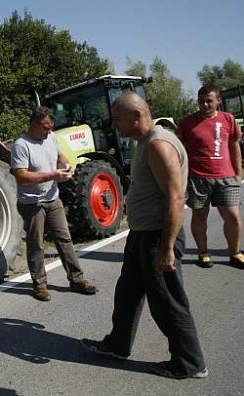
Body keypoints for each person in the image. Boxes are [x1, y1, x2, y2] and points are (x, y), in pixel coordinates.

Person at [81, 92, 208, 379]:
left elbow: (176, 199)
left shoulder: (158, 145)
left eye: (117, 120)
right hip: (141, 234)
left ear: (136, 117)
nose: (114, 125)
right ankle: (118, 345)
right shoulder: (145, 142)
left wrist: (166, 248)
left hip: (157, 236)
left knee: (167, 303)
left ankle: (190, 363)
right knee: (126, 294)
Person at [10, 106, 98, 302]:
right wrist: (52, 175)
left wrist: (67, 166)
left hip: (52, 197)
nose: (48, 132)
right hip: (32, 203)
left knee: (64, 239)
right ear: (33, 125)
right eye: (45, 128)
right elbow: (21, 176)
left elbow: (60, 157)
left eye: (50, 128)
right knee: (36, 244)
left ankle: (77, 279)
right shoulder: (21, 145)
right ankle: (40, 284)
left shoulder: (51, 138)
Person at [177, 85, 244, 268]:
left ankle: (235, 253)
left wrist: (239, 172)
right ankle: (203, 252)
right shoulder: (186, 123)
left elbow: (234, 146)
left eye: (209, 101)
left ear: (218, 101)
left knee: (232, 216)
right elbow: (179, 152)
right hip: (197, 178)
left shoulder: (228, 119)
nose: (205, 104)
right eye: (201, 101)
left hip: (226, 177)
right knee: (199, 216)